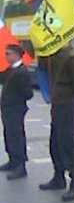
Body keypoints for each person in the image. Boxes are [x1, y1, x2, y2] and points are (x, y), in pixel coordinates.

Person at [39, 43, 74, 201]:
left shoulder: (72, 56)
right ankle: (58, 175)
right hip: (57, 102)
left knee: (68, 142)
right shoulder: (52, 53)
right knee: (55, 142)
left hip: (67, 103)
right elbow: (44, 70)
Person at [0, 44, 33, 180]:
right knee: (8, 134)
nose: (6, 56)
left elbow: (28, 93)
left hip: (16, 109)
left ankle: (20, 166)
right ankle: (12, 160)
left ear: (16, 55)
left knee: (16, 136)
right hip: (7, 108)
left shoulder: (22, 71)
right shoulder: (11, 69)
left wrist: (15, 98)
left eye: (8, 54)